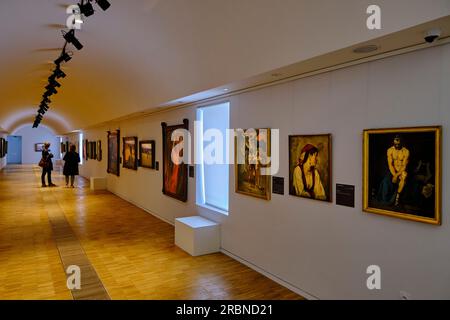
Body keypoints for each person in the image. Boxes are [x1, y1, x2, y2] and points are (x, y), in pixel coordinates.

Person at [377, 135, 410, 206]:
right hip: (393, 171)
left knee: (404, 175)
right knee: (385, 181)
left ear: (402, 142)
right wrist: (395, 175)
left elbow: (404, 166)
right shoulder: (390, 150)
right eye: (395, 144)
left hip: (401, 170)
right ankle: (386, 199)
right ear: (393, 142)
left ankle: (397, 198)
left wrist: (397, 175)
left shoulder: (406, 151)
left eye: (398, 144)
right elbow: (390, 165)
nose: (397, 145)